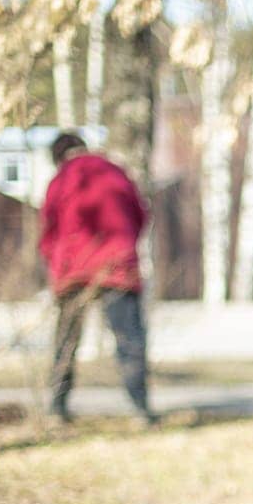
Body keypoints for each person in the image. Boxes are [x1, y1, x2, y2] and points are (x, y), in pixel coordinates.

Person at [38, 131, 155, 424]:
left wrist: (56, 262)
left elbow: (48, 230)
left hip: (73, 269)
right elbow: (140, 215)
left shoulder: (61, 179)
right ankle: (140, 408)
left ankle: (56, 408)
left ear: (57, 156)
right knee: (129, 338)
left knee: (66, 340)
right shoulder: (115, 172)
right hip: (117, 265)